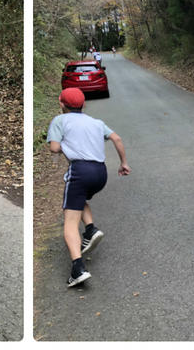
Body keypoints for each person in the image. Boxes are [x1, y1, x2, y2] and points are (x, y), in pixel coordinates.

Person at [47, 87, 130, 287]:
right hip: (101, 173)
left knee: (70, 220)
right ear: (83, 104)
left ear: (61, 103)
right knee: (79, 200)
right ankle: (91, 230)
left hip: (80, 171)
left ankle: (78, 268)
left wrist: (67, 144)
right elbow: (117, 138)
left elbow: (54, 148)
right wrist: (124, 163)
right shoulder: (96, 122)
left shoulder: (60, 120)